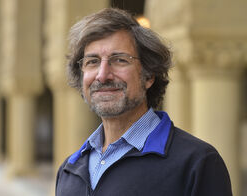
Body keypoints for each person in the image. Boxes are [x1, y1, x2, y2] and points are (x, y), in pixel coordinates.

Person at [55, 8, 232, 196]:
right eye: (92, 61)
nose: (103, 75)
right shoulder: (69, 169)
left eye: (119, 60)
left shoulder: (197, 163)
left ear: (149, 76)